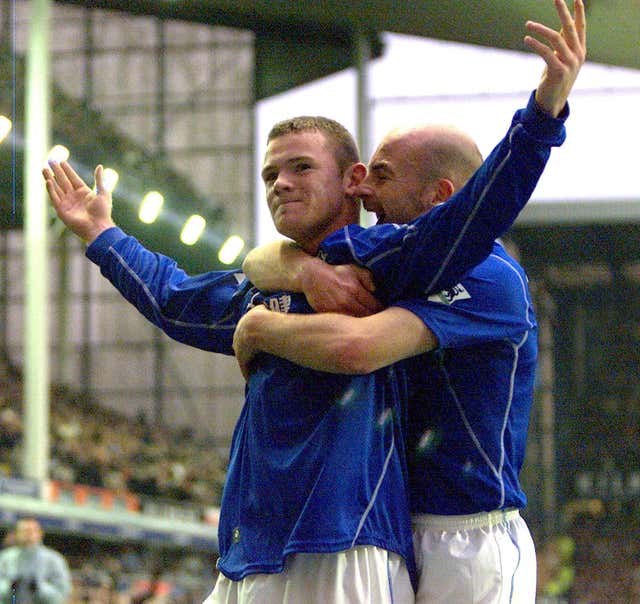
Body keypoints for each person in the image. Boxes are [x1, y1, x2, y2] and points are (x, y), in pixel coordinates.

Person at [42, 2, 581, 601]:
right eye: (271, 174)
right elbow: (175, 299)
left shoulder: (418, 269)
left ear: (348, 179)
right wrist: (103, 235)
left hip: (383, 538)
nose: (281, 184)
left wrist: (544, 112)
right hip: (255, 547)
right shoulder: (282, 278)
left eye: (302, 167)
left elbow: (465, 224)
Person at [233, 1, 586, 602]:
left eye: (385, 175)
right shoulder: (396, 260)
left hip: (472, 535)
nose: (363, 186)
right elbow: (270, 257)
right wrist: (295, 267)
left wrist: (256, 329)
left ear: (439, 197)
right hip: (403, 525)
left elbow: (357, 348)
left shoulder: (491, 275)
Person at [0, 517, 72, 604]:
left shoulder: (54, 560)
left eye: (31, 531)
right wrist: (9, 587)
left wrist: (40, 588)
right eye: (24, 531)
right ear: (16, 534)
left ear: (40, 534)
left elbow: (63, 593)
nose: (28, 534)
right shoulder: (5, 558)